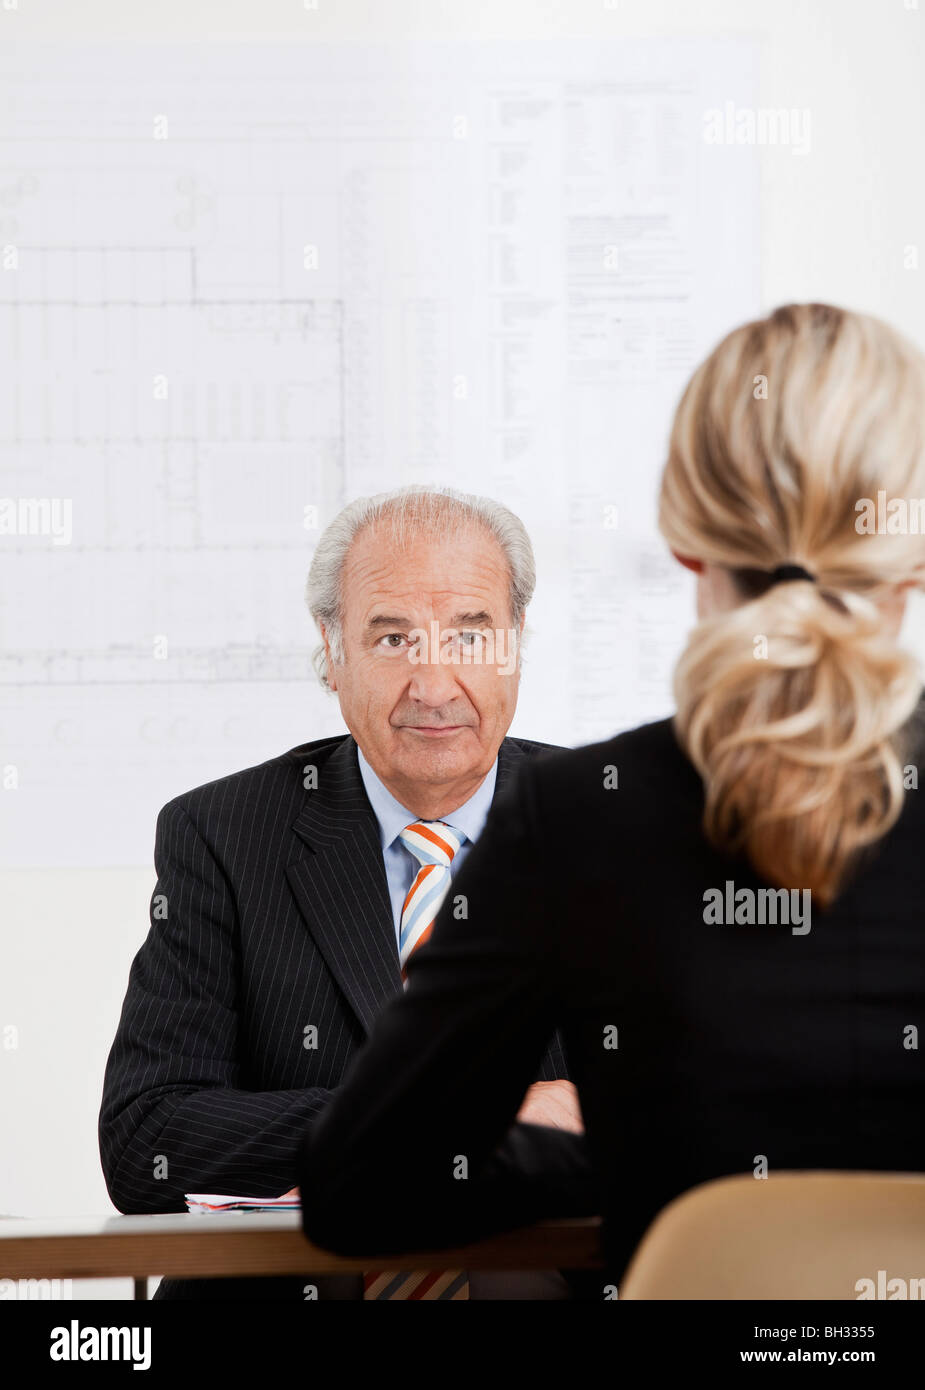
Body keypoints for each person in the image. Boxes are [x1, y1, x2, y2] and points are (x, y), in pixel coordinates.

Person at [297, 304, 925, 1295]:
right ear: (913, 555)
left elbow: (360, 1184)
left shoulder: (576, 816)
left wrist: (635, 1155)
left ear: (685, 539)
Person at [98, 484, 580, 1300]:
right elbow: (149, 1138)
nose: (433, 683)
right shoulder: (223, 835)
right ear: (331, 650)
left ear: (515, 643)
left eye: (470, 633)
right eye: (393, 638)